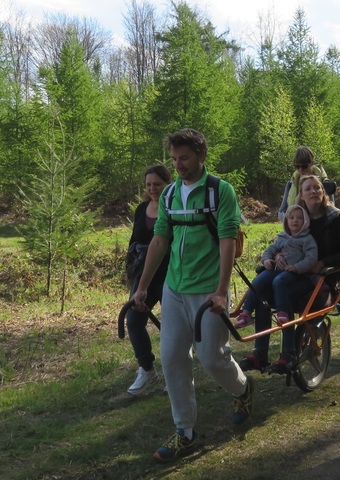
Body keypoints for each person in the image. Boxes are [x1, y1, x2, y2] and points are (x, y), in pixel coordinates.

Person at [131, 128, 253, 463]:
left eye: (184, 158)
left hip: (208, 290)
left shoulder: (220, 192)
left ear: (201, 155)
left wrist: (222, 291)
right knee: (171, 358)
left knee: (212, 358)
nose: (178, 164)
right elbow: (159, 242)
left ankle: (243, 389)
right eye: (174, 159)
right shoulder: (169, 195)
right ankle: (185, 431)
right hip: (174, 289)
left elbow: (227, 239)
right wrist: (142, 287)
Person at [240, 175, 340, 374]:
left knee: (281, 290)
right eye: (308, 189)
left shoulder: (336, 218)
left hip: (321, 279)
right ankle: (259, 354)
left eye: (317, 188)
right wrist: (275, 257)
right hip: (293, 275)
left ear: (323, 191)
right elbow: (283, 244)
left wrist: (322, 263)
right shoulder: (299, 217)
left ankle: (288, 354)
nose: (313, 192)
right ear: (301, 195)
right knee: (263, 298)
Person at [124, 165, 172, 396]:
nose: (153, 189)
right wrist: (134, 279)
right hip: (144, 275)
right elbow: (133, 243)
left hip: (169, 275)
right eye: (149, 184)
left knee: (173, 327)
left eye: (157, 184)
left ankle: (178, 375)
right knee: (133, 320)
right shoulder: (142, 209)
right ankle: (147, 371)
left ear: (167, 183)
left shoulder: (174, 208)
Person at [235, 204, 318, 328]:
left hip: (295, 273)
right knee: (259, 279)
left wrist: (297, 267)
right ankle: (246, 312)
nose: (295, 220)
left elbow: (311, 258)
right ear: (286, 221)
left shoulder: (307, 239)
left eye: (299, 218)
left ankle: (282, 312)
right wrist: (266, 260)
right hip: (278, 270)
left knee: (279, 281)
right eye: (292, 218)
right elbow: (269, 250)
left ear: (305, 221)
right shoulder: (282, 237)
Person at [278, 146, 330, 221]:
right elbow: (281, 211)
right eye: (297, 166)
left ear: (312, 163)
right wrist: (291, 219)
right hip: (295, 230)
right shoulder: (291, 183)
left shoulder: (324, 183)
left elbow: (331, 210)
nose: (300, 169)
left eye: (304, 166)